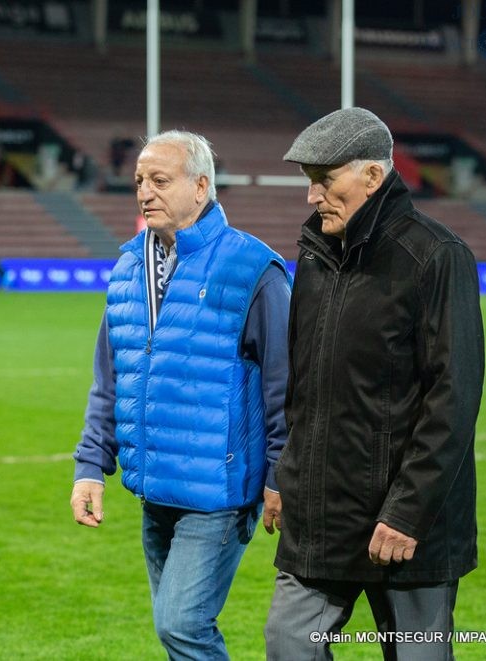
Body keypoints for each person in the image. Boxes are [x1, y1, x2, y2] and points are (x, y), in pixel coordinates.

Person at [264, 108, 485, 661]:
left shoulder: (437, 256)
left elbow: (452, 400)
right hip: (321, 514)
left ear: (372, 175)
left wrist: (408, 512)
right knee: (289, 648)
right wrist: (282, 474)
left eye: (325, 181)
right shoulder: (313, 257)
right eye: (310, 184)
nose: (312, 198)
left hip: (409, 525)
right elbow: (304, 387)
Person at [70, 130, 291, 659]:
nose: (145, 192)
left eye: (160, 180)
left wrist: (281, 475)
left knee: (182, 626)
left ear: (201, 187)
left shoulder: (253, 270)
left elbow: (288, 384)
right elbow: (110, 380)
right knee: (176, 633)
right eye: (140, 181)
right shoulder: (127, 270)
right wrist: (89, 467)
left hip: (219, 493)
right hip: (155, 488)